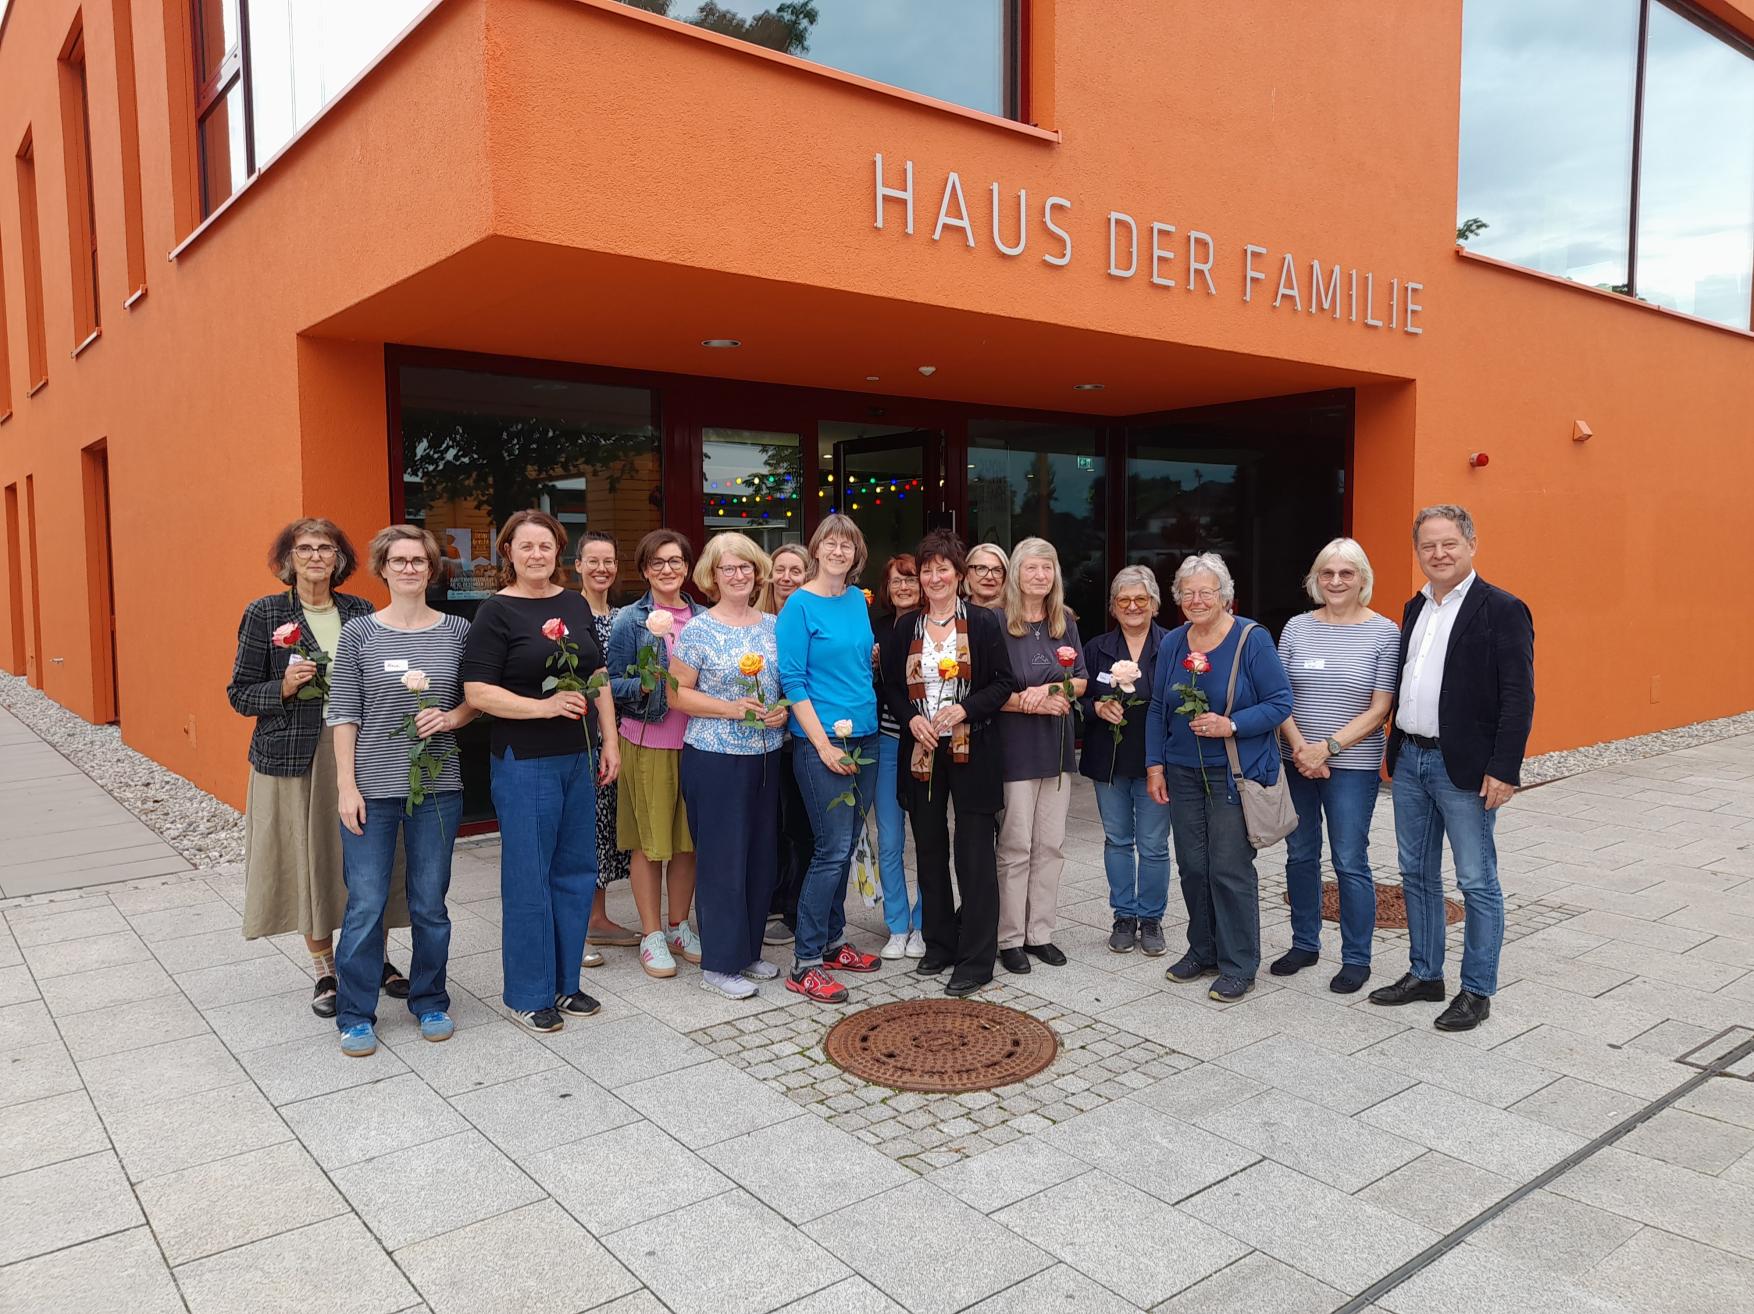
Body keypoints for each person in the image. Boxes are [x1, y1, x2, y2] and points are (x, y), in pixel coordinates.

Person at [227, 517, 408, 1019]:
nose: (314, 557)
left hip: (359, 750)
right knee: (313, 860)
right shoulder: (265, 613)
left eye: (325, 548)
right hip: (293, 758)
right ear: (288, 559)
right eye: (304, 548)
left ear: (340, 559)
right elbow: (239, 694)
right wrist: (282, 688)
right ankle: (324, 969)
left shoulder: (361, 611)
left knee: (370, 857)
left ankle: (379, 959)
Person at [1370, 505, 1534, 1032]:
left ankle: (1477, 990)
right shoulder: (1414, 607)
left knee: (1476, 880)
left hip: (1464, 767)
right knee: (1415, 873)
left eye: (1449, 544)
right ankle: (1425, 974)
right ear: (1417, 551)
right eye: (1427, 546)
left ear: (1471, 544)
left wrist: (1505, 768)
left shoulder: (1503, 609)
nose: (1438, 554)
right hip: (1412, 759)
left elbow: (1518, 696)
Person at [461, 510, 621, 1034]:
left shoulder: (572, 602)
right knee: (529, 876)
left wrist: (609, 741)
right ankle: (529, 992)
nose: (536, 555)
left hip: (578, 755)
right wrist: (544, 709)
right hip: (524, 759)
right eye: (525, 546)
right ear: (508, 552)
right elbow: (478, 693)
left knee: (575, 872)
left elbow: (597, 676)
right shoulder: (496, 612)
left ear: (558, 552)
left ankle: (565, 982)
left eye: (546, 546)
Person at [328, 526, 478, 1056]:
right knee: (366, 902)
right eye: (399, 560)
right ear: (383, 568)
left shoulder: (458, 630)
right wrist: (346, 786)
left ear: (432, 569)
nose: (410, 568)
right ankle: (354, 1012)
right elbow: (343, 712)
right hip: (372, 787)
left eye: (419, 560)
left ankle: (430, 997)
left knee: (429, 902)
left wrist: (453, 716)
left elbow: (476, 697)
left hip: (438, 785)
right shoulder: (360, 634)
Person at [1145, 553, 1292, 1002]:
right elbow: (1156, 707)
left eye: (1206, 591)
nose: (1196, 600)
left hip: (1234, 772)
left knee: (1228, 867)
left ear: (1225, 596)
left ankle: (1239, 963)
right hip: (1182, 770)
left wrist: (1232, 724)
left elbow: (1280, 702)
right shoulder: (1173, 643)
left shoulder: (1252, 639)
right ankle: (1202, 949)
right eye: (1187, 593)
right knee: (1192, 864)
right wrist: (1155, 765)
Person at [879, 532, 1019, 995]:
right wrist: (911, 720)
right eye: (927, 570)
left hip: (971, 747)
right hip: (922, 751)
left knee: (974, 854)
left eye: (944, 569)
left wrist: (965, 709)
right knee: (930, 849)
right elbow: (892, 690)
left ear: (959, 575)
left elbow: (1003, 684)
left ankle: (976, 960)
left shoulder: (981, 623)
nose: (934, 577)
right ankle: (938, 944)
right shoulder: (905, 628)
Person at [1275, 538, 1400, 994]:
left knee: (1349, 860)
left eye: (1346, 573)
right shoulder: (1296, 628)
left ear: (1362, 579)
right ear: (1315, 579)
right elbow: (1279, 695)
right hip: (1297, 759)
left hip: (1352, 764)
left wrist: (1326, 748)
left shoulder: (1384, 632)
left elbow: (1380, 707)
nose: (1336, 581)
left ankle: (1356, 958)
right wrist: (1301, 748)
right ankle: (1304, 943)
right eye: (1327, 573)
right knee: (1300, 854)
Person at [670, 533, 791, 999]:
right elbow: (675, 695)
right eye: (727, 569)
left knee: (761, 857)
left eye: (745, 567)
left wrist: (779, 709)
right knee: (722, 861)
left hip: (764, 756)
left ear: (756, 572)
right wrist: (730, 709)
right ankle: (718, 964)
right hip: (714, 757)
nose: (738, 575)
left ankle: (748, 950)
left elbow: (784, 684)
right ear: (712, 576)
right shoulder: (698, 629)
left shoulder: (773, 625)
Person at [776, 513, 884, 1002]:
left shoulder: (857, 603)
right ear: (816, 549)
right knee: (830, 848)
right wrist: (821, 745)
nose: (839, 551)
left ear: (857, 553)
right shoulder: (798, 605)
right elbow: (793, 681)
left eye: (848, 544)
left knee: (849, 843)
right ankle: (805, 962)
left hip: (866, 738)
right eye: (831, 543)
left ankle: (835, 940)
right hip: (824, 743)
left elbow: (860, 662)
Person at [605, 529, 706, 979]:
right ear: (645, 570)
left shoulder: (703, 616)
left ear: (688, 566)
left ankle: (679, 925)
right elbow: (607, 682)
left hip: (699, 741)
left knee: (687, 842)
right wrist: (647, 685)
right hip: (647, 740)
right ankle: (650, 934)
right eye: (657, 563)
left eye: (676, 561)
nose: (668, 570)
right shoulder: (631, 618)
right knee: (650, 843)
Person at [995, 537, 1088, 975]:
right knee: (1015, 845)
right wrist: (1028, 699)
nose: (1040, 576)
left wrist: (1051, 692)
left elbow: (1083, 681)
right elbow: (984, 691)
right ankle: (1009, 938)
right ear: (1017, 573)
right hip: (1014, 748)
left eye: (1047, 568)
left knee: (1050, 845)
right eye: (1031, 568)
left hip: (1056, 748)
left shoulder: (1064, 621)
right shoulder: (994, 620)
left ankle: (1041, 933)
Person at [1080, 565, 1173, 957]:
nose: (1133, 606)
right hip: (1110, 759)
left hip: (1157, 760)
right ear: (1113, 608)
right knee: (1117, 840)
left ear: (1154, 604)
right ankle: (1124, 916)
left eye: (1141, 599)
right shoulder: (1096, 648)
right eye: (1124, 600)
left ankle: (1151, 919)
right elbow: (1078, 696)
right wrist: (1096, 706)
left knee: (1153, 844)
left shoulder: (1172, 645)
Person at [576, 532, 636, 960]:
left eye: (609, 561)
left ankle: (596, 919)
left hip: (618, 735)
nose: (602, 568)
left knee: (607, 828)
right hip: (579, 735)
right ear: (576, 564)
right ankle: (576, 925)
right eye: (593, 560)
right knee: (582, 830)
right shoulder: (566, 612)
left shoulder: (625, 617)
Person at [871, 553, 924, 959]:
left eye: (910, 579)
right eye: (896, 582)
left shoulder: (936, 625)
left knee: (927, 837)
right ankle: (896, 924)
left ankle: (923, 924)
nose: (904, 587)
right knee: (889, 838)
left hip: (926, 742)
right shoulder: (876, 629)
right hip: (887, 742)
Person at [763, 542, 814, 947]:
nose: (786, 577)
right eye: (780, 569)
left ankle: (793, 906)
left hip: (801, 737)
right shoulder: (758, 620)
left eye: (795, 571)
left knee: (798, 825)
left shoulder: (813, 615)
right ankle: (771, 899)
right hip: (764, 741)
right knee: (772, 826)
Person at [964, 542, 1010, 610]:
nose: (989, 577)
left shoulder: (1016, 614)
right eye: (981, 569)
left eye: (997, 570)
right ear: (967, 574)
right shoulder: (954, 613)